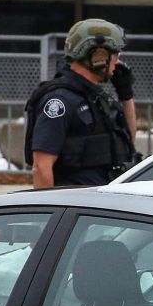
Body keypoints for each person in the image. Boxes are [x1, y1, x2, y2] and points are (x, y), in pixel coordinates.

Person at [25, 18, 139, 188]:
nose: (117, 61)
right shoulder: (60, 100)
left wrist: (126, 95)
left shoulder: (95, 97)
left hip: (98, 203)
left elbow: (129, 139)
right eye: (115, 54)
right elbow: (41, 167)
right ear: (98, 56)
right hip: (75, 207)